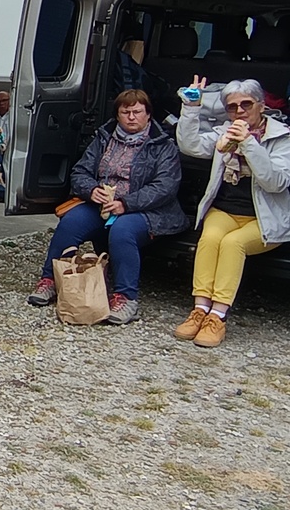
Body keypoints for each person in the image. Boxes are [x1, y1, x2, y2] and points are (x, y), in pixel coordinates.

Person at [28, 89, 187, 325]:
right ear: (118, 115)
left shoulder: (163, 145)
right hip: (102, 205)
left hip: (147, 210)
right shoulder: (103, 139)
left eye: (137, 112)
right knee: (71, 222)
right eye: (125, 112)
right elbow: (80, 172)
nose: (131, 117)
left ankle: (126, 297)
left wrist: (126, 203)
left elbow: (165, 187)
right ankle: (51, 280)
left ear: (148, 114)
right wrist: (92, 190)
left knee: (123, 230)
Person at [175, 77, 290, 347]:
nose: (239, 111)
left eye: (246, 104)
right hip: (225, 211)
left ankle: (218, 316)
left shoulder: (283, 137)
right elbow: (190, 145)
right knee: (210, 238)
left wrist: (248, 143)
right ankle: (200, 310)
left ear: (261, 106)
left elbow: (275, 182)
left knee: (232, 244)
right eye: (232, 107)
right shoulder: (225, 131)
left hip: (265, 218)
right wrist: (191, 107)